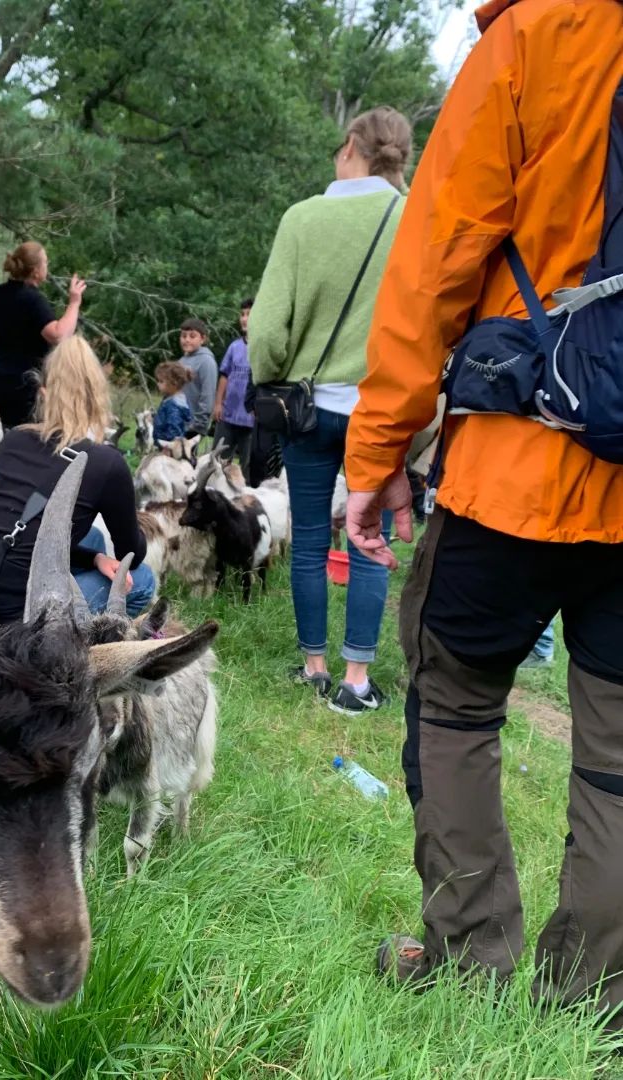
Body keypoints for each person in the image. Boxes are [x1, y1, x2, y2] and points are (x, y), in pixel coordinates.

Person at [343, 0, 623, 1014]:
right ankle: (591, 993)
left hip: (520, 462)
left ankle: (469, 961)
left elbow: (436, 262)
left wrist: (378, 453)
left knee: (456, 700)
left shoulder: (536, 35)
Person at [249, 106, 411, 714]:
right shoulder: (413, 218)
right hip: (382, 408)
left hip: (308, 406)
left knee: (313, 538)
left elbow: (266, 330)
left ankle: (314, 665)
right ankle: (357, 680)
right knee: (367, 537)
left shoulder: (303, 218)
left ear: (351, 147)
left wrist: (273, 378)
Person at [0, 335, 154, 625]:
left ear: (43, 392)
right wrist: (132, 517)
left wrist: (94, 558)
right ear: (99, 398)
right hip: (24, 613)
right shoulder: (106, 463)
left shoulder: (14, 439)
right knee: (142, 579)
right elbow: (132, 552)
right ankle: (79, 645)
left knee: (90, 537)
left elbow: (17, 527)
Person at [0, 242, 87, 428]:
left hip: (1, 382)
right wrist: (74, 302)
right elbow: (58, 335)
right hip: (28, 386)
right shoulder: (32, 300)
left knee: (13, 434)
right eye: (46, 262)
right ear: (35, 270)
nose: (47, 267)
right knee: (35, 439)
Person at [213, 299, 256, 468]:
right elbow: (224, 375)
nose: (244, 319)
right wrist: (218, 404)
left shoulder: (263, 348)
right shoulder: (234, 347)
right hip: (228, 415)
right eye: (242, 314)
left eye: (249, 315)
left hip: (252, 420)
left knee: (249, 467)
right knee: (217, 463)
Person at [178, 318, 217, 436]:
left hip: (193, 425)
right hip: (177, 422)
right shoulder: (181, 361)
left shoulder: (206, 361)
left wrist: (198, 424)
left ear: (202, 339)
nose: (187, 340)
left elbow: (208, 394)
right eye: (184, 336)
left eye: (192, 336)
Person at [152, 361, 193, 443]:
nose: (158, 384)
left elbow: (174, 429)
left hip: (168, 447)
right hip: (163, 444)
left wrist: (170, 446)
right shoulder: (169, 400)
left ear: (174, 383)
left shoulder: (173, 406)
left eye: (161, 381)